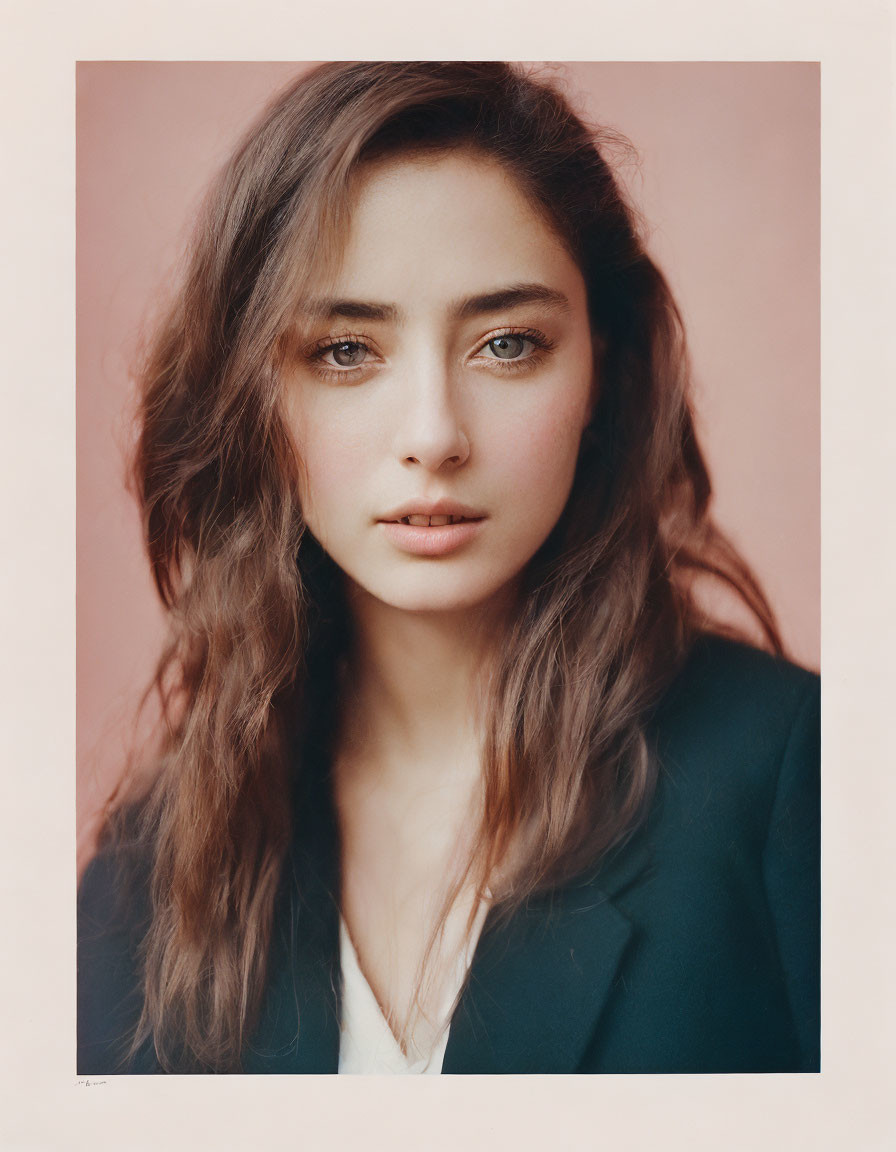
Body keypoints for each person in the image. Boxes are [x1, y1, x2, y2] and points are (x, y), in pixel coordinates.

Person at [77, 60, 820, 1075]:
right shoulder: (150, 868)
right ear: (253, 393)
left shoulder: (791, 774)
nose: (431, 435)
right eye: (345, 352)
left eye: (506, 344)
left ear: (600, 365)